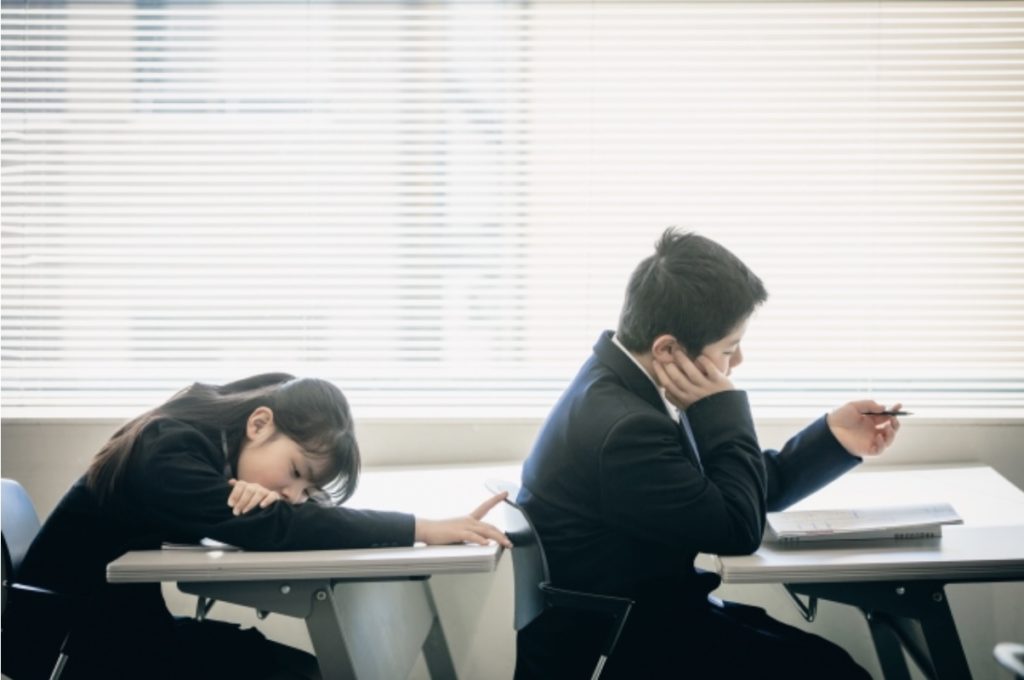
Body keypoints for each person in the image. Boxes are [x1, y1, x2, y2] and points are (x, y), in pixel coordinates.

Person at [516, 229, 902, 679]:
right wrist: (723, 408)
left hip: (644, 624)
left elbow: (733, 493)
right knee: (836, 673)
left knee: (829, 665)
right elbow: (738, 528)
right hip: (625, 649)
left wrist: (834, 439)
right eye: (729, 349)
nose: (736, 363)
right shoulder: (626, 428)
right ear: (667, 349)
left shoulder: (622, 385)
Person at [2, 373, 511, 680]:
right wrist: (421, 527)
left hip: (121, 631)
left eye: (307, 491)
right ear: (259, 423)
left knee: (309, 671)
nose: (293, 496)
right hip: (75, 649)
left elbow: (282, 519)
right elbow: (281, 529)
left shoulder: (207, 449)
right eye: (295, 473)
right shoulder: (168, 452)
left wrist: (261, 500)